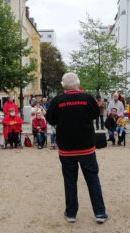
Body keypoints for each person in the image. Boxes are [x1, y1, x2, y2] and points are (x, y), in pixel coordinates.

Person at [46, 72, 107, 224]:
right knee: (93, 179)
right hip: (86, 147)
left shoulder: (57, 101)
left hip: (66, 149)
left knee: (70, 181)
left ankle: (71, 213)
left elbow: (50, 119)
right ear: (78, 84)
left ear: (63, 86)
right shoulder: (87, 98)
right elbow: (95, 115)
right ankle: (99, 213)